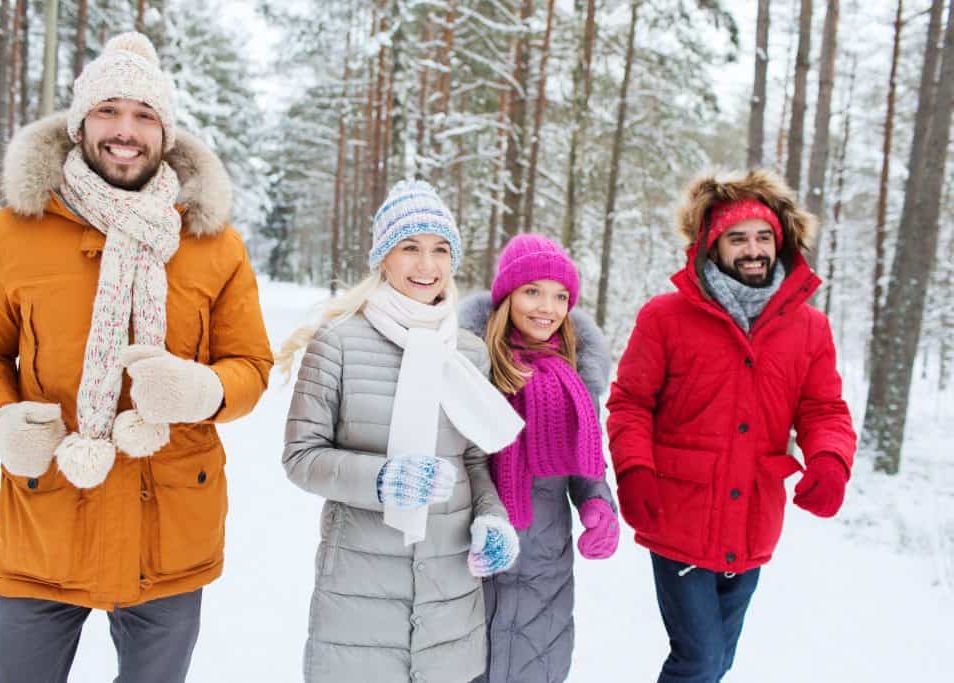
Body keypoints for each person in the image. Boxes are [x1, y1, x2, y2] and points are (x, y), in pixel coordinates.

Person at [0, 32, 273, 683]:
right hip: (47, 521)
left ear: (166, 131)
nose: (126, 130)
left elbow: (251, 365)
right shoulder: (13, 230)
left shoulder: (214, 242)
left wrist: (201, 390)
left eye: (144, 115)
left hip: (171, 529)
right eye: (109, 110)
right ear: (80, 122)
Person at [607, 168, 857, 682]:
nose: (753, 250)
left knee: (718, 660)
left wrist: (830, 459)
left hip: (754, 517)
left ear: (780, 242)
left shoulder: (810, 328)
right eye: (737, 238)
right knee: (698, 659)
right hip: (678, 513)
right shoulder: (665, 318)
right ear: (711, 246)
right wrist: (634, 469)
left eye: (764, 237)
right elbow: (630, 403)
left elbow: (824, 409)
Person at [280, 180, 524, 683]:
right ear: (383, 257)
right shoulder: (339, 341)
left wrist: (493, 519)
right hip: (358, 593)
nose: (426, 266)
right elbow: (301, 456)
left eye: (439, 250)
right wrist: (381, 479)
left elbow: (473, 461)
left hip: (449, 594)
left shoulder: (469, 351)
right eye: (410, 248)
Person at [460, 234, 620, 683]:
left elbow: (586, 458)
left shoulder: (574, 374)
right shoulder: (470, 366)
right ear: (506, 295)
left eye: (560, 295)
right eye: (532, 291)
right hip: (472, 552)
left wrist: (598, 503)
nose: (546, 307)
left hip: (544, 564)